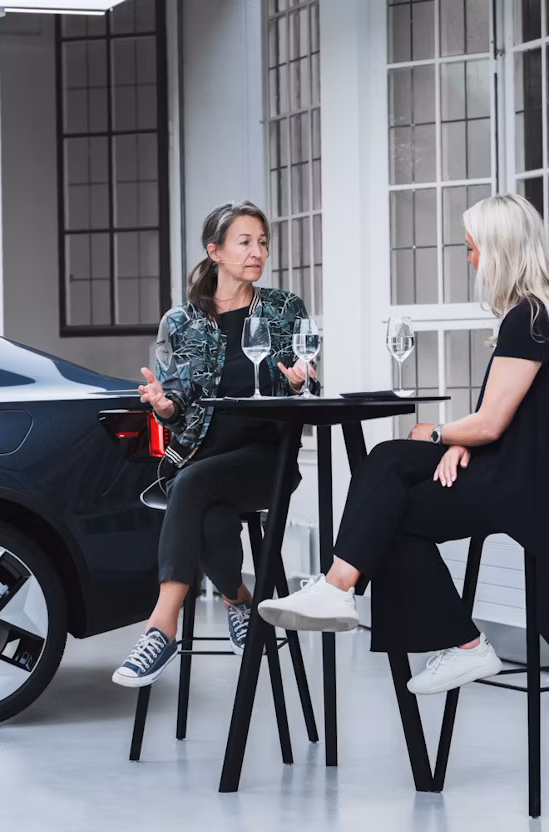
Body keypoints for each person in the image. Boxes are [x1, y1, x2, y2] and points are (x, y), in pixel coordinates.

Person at [258, 193, 549, 695]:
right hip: (547, 469)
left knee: (389, 464)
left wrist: (437, 433)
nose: (470, 259)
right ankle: (456, 643)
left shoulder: (531, 317)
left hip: (541, 483)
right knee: (389, 510)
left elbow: (494, 422)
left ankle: (344, 589)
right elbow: (525, 413)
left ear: (499, 251)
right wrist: (461, 441)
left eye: (473, 248)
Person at [112, 200, 318, 688]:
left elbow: (306, 378)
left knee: (193, 487)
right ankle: (239, 600)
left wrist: (295, 382)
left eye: (262, 242)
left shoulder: (285, 308)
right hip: (203, 456)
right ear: (216, 251)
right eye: (244, 242)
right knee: (208, 506)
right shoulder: (180, 322)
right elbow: (177, 400)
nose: (257, 252)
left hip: (267, 457)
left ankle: (160, 628)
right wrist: (163, 407)